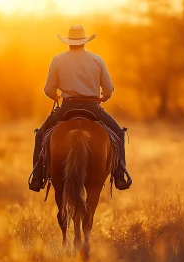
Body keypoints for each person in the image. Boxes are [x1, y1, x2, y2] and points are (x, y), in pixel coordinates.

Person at [28, 25, 130, 192]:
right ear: (84, 41)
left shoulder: (58, 60)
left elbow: (48, 90)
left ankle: (37, 178)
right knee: (118, 133)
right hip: (92, 108)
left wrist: (57, 97)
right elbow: (109, 89)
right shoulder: (97, 60)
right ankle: (119, 175)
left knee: (40, 134)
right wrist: (104, 97)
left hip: (67, 108)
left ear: (68, 42)